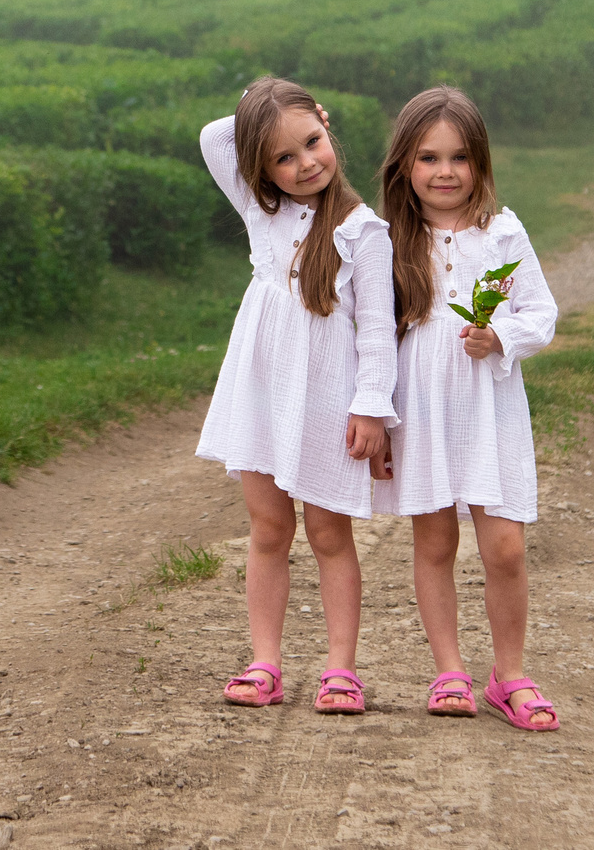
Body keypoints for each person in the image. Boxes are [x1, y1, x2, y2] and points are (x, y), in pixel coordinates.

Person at [194, 78, 397, 715]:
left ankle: (341, 668)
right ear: (261, 168)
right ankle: (265, 662)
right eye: (284, 157)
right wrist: (269, 100)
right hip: (260, 390)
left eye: (313, 141)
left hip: (328, 398)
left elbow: (379, 331)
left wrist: (371, 406)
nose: (305, 163)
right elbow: (214, 137)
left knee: (329, 532)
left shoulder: (364, 231)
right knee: (269, 528)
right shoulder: (263, 209)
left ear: (328, 129)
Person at [376, 85, 561, 731]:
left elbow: (542, 314)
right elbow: (373, 333)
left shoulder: (502, 233)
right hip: (423, 410)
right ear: (405, 164)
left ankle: (509, 673)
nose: (445, 171)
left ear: (480, 162)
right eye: (428, 157)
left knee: (504, 546)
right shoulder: (388, 239)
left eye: (459, 157)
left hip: (490, 410)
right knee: (434, 540)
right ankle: (449, 667)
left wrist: (501, 336)